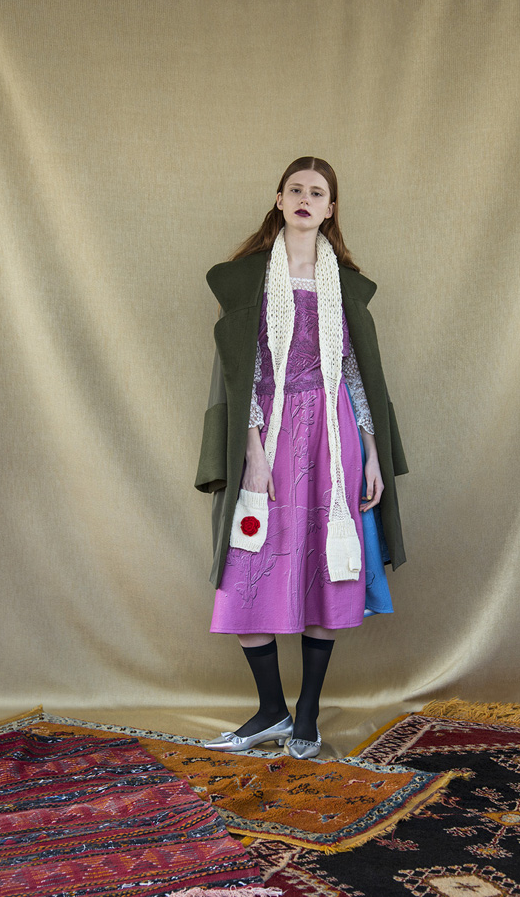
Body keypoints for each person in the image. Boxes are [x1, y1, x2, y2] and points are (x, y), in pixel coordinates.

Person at [195, 157, 407, 758]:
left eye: (317, 192)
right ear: (280, 199)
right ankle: (271, 710)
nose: (305, 199)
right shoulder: (248, 280)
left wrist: (372, 452)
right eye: (296, 190)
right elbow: (243, 372)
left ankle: (307, 713)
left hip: (333, 437)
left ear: (330, 208)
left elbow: (357, 375)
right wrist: (253, 450)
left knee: (324, 565)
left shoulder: (346, 284)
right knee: (246, 566)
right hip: (269, 430)